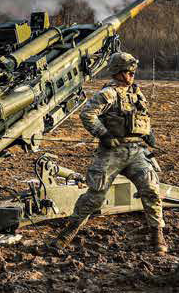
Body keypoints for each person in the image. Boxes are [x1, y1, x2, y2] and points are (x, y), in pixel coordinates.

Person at [53, 51, 166, 253]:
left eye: (132, 72)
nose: (131, 75)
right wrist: (104, 134)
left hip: (136, 151)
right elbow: (87, 114)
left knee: (151, 189)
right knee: (94, 197)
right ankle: (67, 234)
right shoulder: (109, 93)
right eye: (128, 72)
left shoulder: (137, 93)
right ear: (117, 72)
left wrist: (149, 134)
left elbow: (142, 117)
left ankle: (157, 234)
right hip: (112, 152)